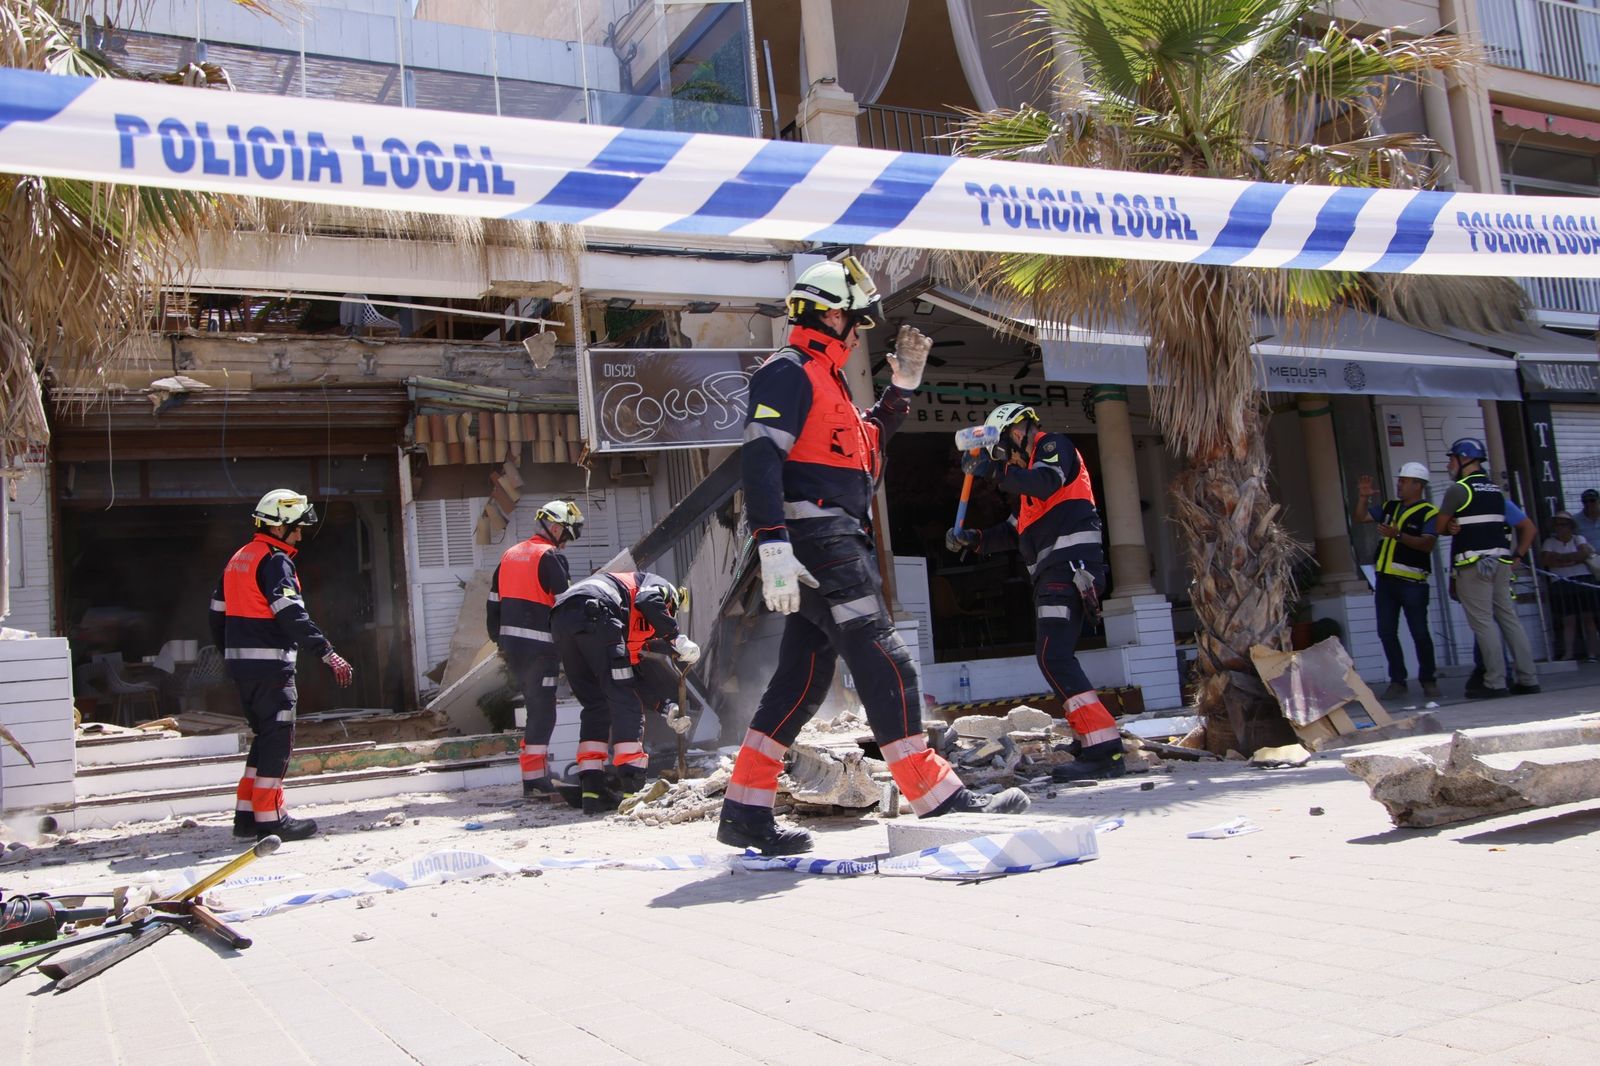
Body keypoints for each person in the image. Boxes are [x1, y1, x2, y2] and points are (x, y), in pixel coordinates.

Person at [719, 256, 1029, 857]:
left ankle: (745, 811)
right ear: (830, 316)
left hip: (829, 538)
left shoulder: (826, 381)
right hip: (818, 540)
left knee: (801, 678)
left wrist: (903, 390)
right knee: (885, 657)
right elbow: (759, 458)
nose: (859, 333)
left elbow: (863, 446)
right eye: (854, 322)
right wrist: (773, 543)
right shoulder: (790, 371)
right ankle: (934, 793)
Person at [947, 403, 1125, 781]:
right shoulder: (1030, 487)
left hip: (1069, 569)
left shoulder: (1052, 447)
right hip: (1056, 574)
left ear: (1016, 432)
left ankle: (1104, 748)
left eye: (1003, 451)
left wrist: (995, 470)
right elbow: (1013, 532)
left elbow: (1046, 481)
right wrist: (973, 538)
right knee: (1057, 656)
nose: (1004, 460)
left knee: (1053, 657)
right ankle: (1090, 737)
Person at [210, 490, 353, 842]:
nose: (300, 535)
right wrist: (326, 651)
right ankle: (273, 820)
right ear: (280, 526)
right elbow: (290, 613)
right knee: (277, 741)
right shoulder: (274, 561)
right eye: (297, 528)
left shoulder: (239, 558)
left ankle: (247, 819)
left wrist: (231, 651)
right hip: (272, 668)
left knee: (263, 738)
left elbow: (216, 612)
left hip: (243, 668)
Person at [550, 570, 698, 814]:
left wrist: (665, 707)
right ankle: (634, 793)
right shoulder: (658, 585)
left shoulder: (627, 627)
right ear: (671, 603)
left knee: (596, 705)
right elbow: (648, 601)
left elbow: (631, 679)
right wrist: (676, 638)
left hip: (562, 619)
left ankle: (593, 793)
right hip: (595, 613)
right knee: (626, 705)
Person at [487, 500, 582, 798]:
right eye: (566, 534)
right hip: (540, 649)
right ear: (554, 528)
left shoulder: (509, 555)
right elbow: (565, 606)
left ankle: (535, 773)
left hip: (514, 650)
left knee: (534, 708)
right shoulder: (549, 556)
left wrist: (500, 640)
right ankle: (534, 779)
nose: (566, 543)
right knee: (544, 712)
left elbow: (492, 604)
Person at [1435, 439, 1539, 699]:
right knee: (1509, 620)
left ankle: (1495, 682)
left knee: (1483, 624)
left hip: (1474, 566)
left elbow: (1438, 527)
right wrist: (1518, 556)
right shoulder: (1496, 491)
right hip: (1502, 564)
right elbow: (1529, 527)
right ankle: (1528, 679)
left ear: (1464, 458)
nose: (1449, 464)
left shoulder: (1458, 490)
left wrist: (1450, 527)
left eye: (1451, 459)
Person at [1351, 462, 1440, 701]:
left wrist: (1398, 535)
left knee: (1419, 632)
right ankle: (1397, 681)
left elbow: (1427, 544)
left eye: (1404, 481)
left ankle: (1428, 679)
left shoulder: (1430, 513)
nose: (1399, 485)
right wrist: (1362, 497)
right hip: (1386, 582)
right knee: (1387, 632)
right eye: (1399, 480)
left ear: (1418, 485)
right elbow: (1360, 518)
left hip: (1412, 583)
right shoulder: (1390, 506)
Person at [1539, 511, 1599, 664]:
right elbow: (1546, 560)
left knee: (1588, 618)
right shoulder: (1549, 542)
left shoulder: (1579, 539)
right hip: (1562, 582)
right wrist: (1573, 558)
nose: (1560, 528)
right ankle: (1569, 654)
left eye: (1563, 524)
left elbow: (1585, 553)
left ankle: (1592, 653)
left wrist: (1560, 558)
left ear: (1571, 526)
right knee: (1568, 620)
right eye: (1557, 525)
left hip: (1583, 579)